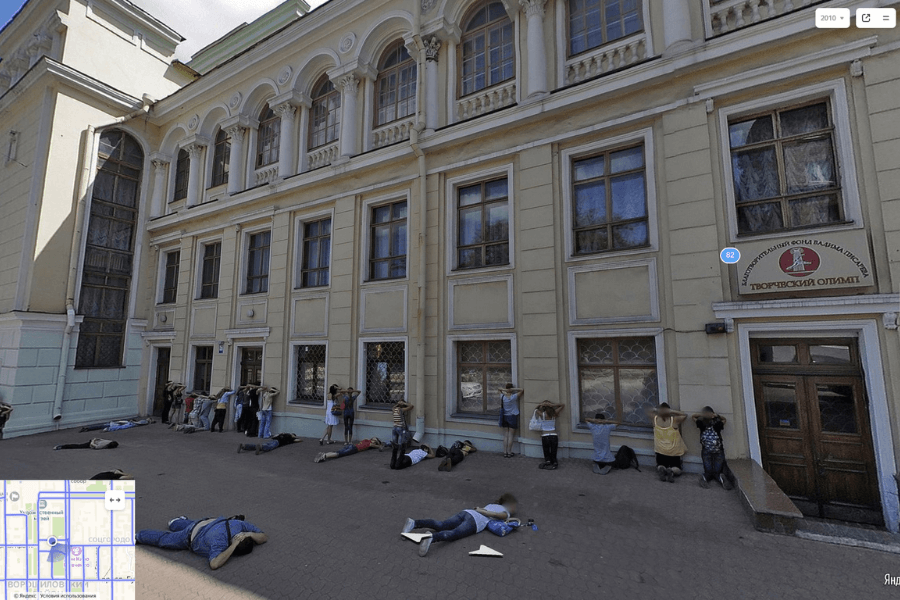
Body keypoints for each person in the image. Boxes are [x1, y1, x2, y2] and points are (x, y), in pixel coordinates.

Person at [401, 493, 518, 557]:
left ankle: (414, 523)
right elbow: (498, 516)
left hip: (467, 512)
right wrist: (488, 513)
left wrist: (482, 510)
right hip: (475, 522)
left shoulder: (492, 504)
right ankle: (432, 537)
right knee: (454, 534)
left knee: (442, 524)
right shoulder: (505, 512)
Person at [136, 515, 267, 570]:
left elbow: (263, 536)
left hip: (205, 522)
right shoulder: (220, 542)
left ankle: (176, 522)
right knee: (164, 540)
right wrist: (233, 546)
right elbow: (214, 564)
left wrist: (249, 533)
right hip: (189, 536)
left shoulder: (238, 524)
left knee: (191, 524)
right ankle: (138, 536)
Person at [692, 406, 734, 490]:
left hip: (713, 450)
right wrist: (708, 415)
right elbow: (693, 417)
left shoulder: (714, 423)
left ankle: (710, 478)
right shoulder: (703, 423)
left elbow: (724, 420)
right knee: (713, 471)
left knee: (712, 471)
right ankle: (715, 478)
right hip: (712, 450)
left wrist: (715, 416)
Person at [648, 403, 688, 483]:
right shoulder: (674, 420)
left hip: (660, 450)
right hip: (674, 451)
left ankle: (661, 469)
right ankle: (671, 471)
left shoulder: (655, 419)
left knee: (660, 464)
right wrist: (671, 411)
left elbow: (649, 411)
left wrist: (657, 410)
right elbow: (685, 415)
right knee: (677, 468)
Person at [535, 401, 565, 470]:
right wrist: (553, 405)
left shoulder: (542, 414)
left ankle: (547, 461)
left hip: (545, 435)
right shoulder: (554, 414)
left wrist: (540, 404)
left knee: (546, 451)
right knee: (554, 451)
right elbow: (562, 405)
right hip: (554, 435)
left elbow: (536, 410)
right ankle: (554, 463)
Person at [498, 383, 523, 458]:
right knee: (511, 435)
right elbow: (522, 390)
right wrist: (513, 390)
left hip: (505, 416)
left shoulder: (502, 396)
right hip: (512, 417)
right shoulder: (514, 397)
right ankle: (509, 452)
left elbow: (499, 389)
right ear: (511, 389)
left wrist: (506, 390)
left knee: (506, 435)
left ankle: (505, 452)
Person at [314, 437, 383, 463]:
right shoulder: (369, 443)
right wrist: (379, 445)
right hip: (354, 448)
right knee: (339, 454)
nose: (374, 442)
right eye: (375, 441)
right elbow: (374, 445)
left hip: (352, 446)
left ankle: (325, 454)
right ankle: (324, 456)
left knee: (338, 452)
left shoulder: (366, 440)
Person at [389, 399, 414, 469]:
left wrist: (397, 404)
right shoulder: (401, 410)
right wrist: (405, 403)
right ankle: (399, 460)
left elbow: (393, 407)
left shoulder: (394, 409)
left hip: (394, 428)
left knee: (395, 444)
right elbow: (411, 406)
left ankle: (393, 461)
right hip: (400, 428)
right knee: (401, 444)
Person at [238, 432, 302, 455]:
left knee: (261, 445)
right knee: (269, 447)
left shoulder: (283, 434)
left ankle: (244, 446)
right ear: (293, 435)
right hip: (278, 442)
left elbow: (274, 436)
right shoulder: (290, 438)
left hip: (273, 440)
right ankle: (261, 447)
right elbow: (298, 440)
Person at [54, 438, 119, 450]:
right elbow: (96, 447)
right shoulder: (105, 444)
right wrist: (93, 442)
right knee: (78, 446)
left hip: (93, 441)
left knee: (77, 445)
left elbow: (100, 439)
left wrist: (94, 440)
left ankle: (62, 446)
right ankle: (62, 447)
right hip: (91, 443)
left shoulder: (108, 441)